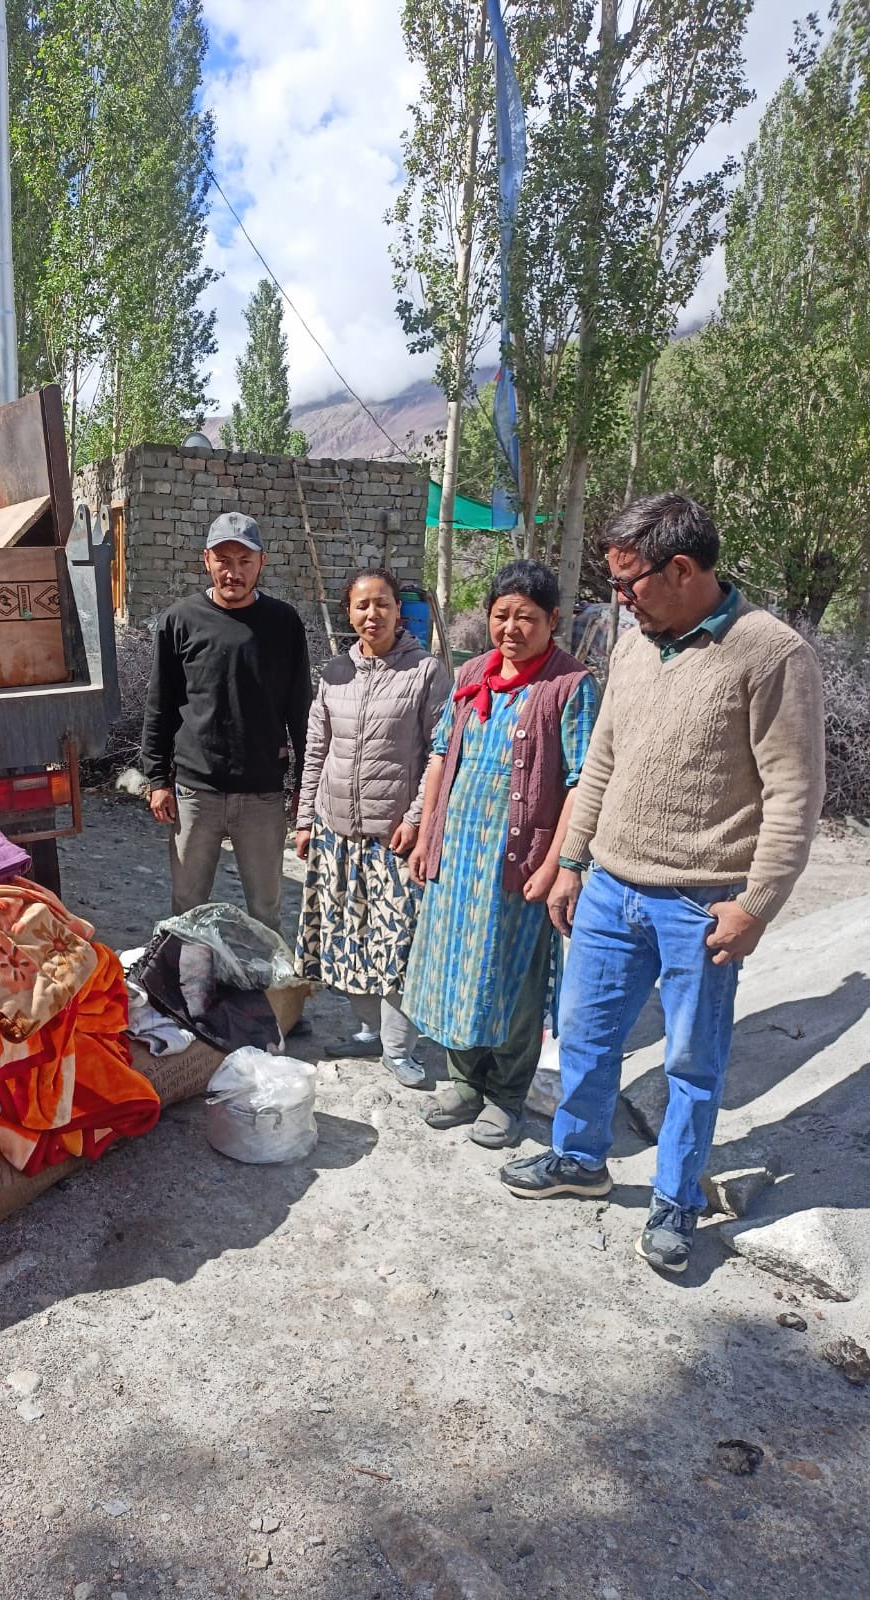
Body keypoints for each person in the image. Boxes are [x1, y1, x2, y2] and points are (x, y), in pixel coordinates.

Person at [500, 494, 826, 1275]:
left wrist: (755, 905)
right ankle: (579, 1160)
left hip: (698, 905)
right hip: (610, 888)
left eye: (628, 582)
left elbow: (792, 795)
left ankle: (675, 1200)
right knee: (584, 1035)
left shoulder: (770, 654)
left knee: (690, 1062)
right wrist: (573, 863)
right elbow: (603, 761)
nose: (619, 598)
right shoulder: (634, 643)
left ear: (681, 569)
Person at [405, 560, 599, 1148]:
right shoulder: (472, 675)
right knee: (458, 969)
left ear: (553, 621)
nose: (511, 629)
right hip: (459, 853)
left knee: (511, 978)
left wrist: (558, 863)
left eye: (526, 618)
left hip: (518, 863)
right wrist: (424, 831)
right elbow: (442, 756)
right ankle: (464, 1083)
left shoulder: (571, 685)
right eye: (501, 615)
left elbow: (583, 781)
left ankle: (506, 1095)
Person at [294, 569, 451, 1087]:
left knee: (397, 943)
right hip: (336, 831)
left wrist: (414, 821)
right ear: (349, 612)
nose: (372, 615)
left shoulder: (425, 672)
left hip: (392, 837)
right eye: (362, 606)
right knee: (348, 937)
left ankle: (399, 1047)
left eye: (381, 604)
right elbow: (316, 751)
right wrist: (304, 822)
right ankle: (366, 1032)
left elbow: (439, 755)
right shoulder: (335, 672)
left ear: (397, 610)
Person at [140, 510, 311, 935]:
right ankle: (186, 992)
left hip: (263, 796)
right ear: (206, 561)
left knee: (266, 911)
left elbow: (300, 711)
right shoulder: (179, 621)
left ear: (261, 564)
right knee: (186, 907)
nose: (233, 572)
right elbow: (160, 703)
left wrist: (304, 789)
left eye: (243, 562)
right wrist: (157, 778)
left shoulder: (284, 623)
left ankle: (262, 995)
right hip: (195, 793)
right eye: (223, 560)